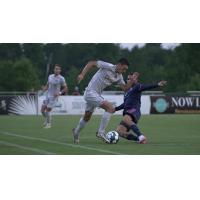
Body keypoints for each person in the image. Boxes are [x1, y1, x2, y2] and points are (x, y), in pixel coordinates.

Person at [72, 58, 135, 144]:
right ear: (119, 65)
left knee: (87, 117)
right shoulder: (108, 66)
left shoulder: (119, 77)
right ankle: (101, 132)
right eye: (123, 68)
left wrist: (131, 81)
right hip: (90, 92)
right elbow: (91, 63)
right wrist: (82, 75)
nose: (124, 71)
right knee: (110, 108)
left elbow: (125, 88)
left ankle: (76, 132)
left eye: (125, 70)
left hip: (96, 95)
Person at [114, 72, 167, 144]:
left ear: (136, 80)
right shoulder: (126, 91)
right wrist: (115, 109)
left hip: (134, 111)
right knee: (119, 131)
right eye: (128, 79)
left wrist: (157, 84)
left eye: (131, 78)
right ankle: (138, 139)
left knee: (126, 119)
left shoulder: (137, 86)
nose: (129, 80)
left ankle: (141, 136)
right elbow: (125, 104)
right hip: (128, 112)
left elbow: (146, 86)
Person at [41, 64, 68, 128]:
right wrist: (44, 89)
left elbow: (66, 88)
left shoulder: (61, 78)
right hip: (47, 96)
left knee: (47, 110)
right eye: (55, 69)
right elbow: (47, 85)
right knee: (42, 111)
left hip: (54, 97)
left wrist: (59, 92)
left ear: (60, 70)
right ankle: (48, 118)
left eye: (58, 69)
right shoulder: (50, 76)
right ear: (54, 69)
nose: (56, 70)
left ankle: (48, 124)